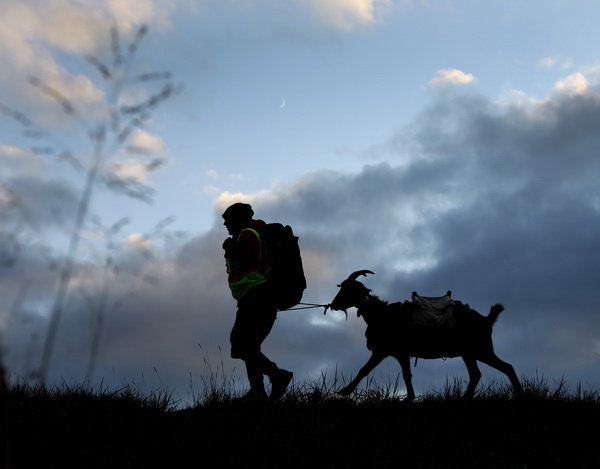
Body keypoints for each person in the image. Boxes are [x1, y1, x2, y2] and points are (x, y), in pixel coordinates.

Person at [221, 202, 293, 401]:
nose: (225, 224)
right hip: (255, 297)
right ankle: (258, 391)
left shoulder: (247, 233)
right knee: (248, 346)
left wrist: (230, 246)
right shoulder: (248, 233)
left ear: (238, 219)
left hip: (257, 295)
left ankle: (277, 376)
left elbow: (249, 255)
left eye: (228, 219)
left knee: (240, 344)